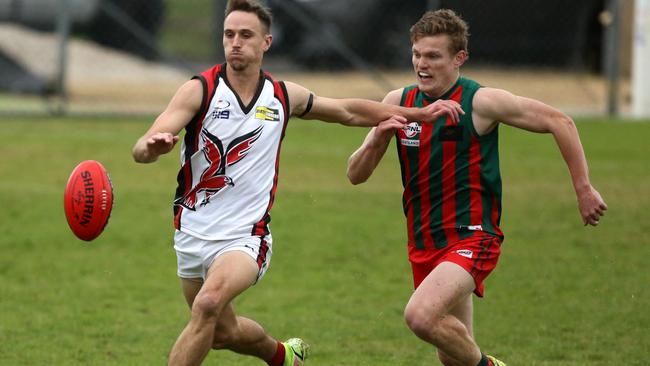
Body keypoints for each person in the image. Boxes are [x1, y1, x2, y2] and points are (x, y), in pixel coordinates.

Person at [132, 1, 462, 365]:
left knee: (208, 304)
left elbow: (347, 110)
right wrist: (153, 146)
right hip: (192, 233)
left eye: (246, 35)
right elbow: (143, 148)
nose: (235, 43)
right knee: (221, 332)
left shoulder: (282, 95)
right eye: (229, 35)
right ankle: (282, 356)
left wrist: (417, 113)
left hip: (245, 236)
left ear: (266, 43)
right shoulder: (200, 90)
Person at [346, 9, 608, 366]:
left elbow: (558, 121)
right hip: (424, 243)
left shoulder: (480, 102)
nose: (421, 64)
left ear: (459, 58)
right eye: (417, 54)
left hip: (472, 237)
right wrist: (377, 138)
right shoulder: (398, 102)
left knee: (420, 316)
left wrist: (584, 189)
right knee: (453, 357)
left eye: (433, 56)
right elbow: (355, 175)